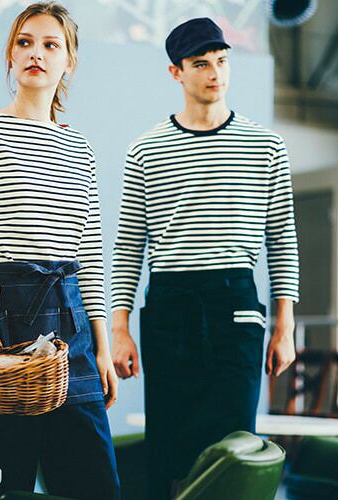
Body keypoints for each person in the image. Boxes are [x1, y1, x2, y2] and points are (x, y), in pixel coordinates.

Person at [0, 3, 120, 499]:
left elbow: (89, 259)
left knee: (93, 487)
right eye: (24, 42)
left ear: (68, 62)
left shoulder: (81, 148)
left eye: (51, 45)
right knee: (0, 485)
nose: (36, 53)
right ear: (10, 56)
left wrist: (102, 347)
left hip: (71, 332)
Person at [110, 17, 299, 499]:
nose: (215, 73)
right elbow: (129, 244)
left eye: (221, 61)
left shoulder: (266, 145)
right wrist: (119, 328)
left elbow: (282, 239)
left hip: (236, 304)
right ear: (176, 72)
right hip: (169, 306)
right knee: (168, 452)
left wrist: (285, 326)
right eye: (201, 64)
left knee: (234, 448)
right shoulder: (145, 149)